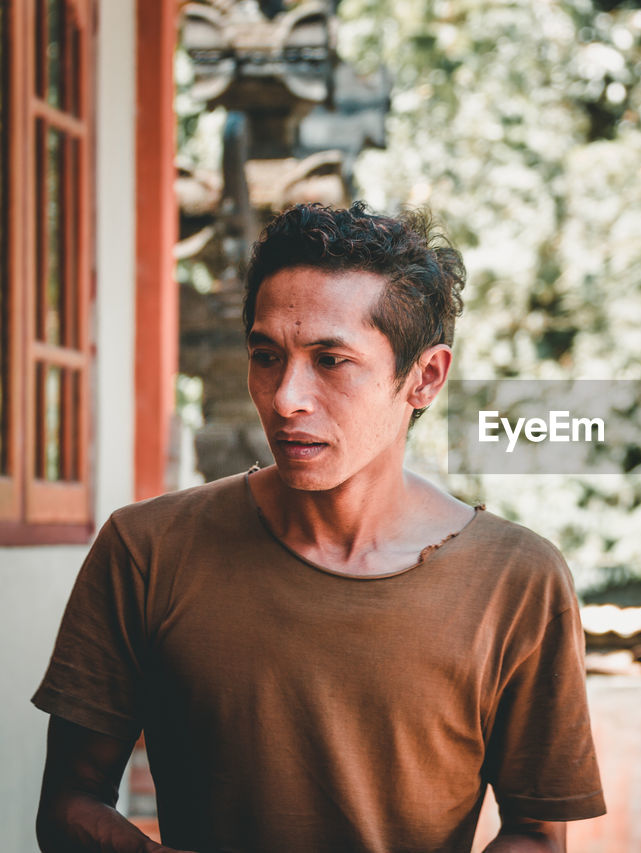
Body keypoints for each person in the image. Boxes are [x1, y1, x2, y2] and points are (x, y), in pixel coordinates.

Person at [32, 203, 605, 853]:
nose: (285, 398)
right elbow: (68, 805)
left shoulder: (516, 579)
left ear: (424, 376)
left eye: (330, 360)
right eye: (266, 354)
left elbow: (535, 832)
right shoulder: (147, 549)